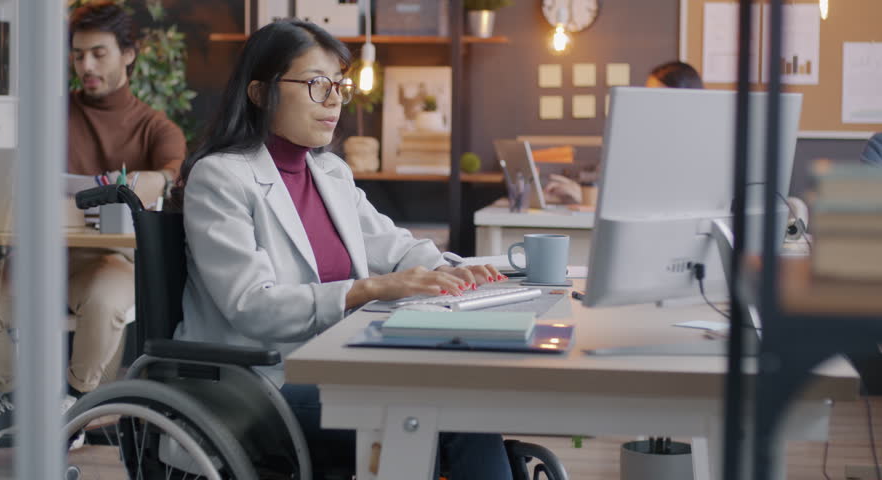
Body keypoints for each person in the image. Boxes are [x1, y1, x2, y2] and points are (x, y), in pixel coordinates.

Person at [176, 19, 512, 479]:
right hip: (262, 385)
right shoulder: (221, 177)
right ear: (259, 92)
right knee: (444, 407)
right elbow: (251, 306)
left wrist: (452, 271)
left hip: (335, 365)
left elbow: (394, 247)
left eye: (339, 85)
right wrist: (368, 289)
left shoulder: (330, 171)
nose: (334, 99)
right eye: (316, 84)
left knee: (461, 399)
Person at [0, 1, 186, 445]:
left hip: (111, 262)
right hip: (40, 256)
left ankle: (75, 404)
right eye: (77, 54)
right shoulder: (46, 115)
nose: (84, 65)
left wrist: (154, 179)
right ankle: (24, 401)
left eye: (98, 53)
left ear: (129, 53)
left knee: (107, 301)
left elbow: (168, 176)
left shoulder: (155, 128)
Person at [544, 61, 704, 204]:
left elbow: (650, 201)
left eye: (659, 96)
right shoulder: (638, 137)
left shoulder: (694, 148)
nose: (649, 103)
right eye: (647, 94)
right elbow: (610, 182)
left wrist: (585, 196)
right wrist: (577, 191)